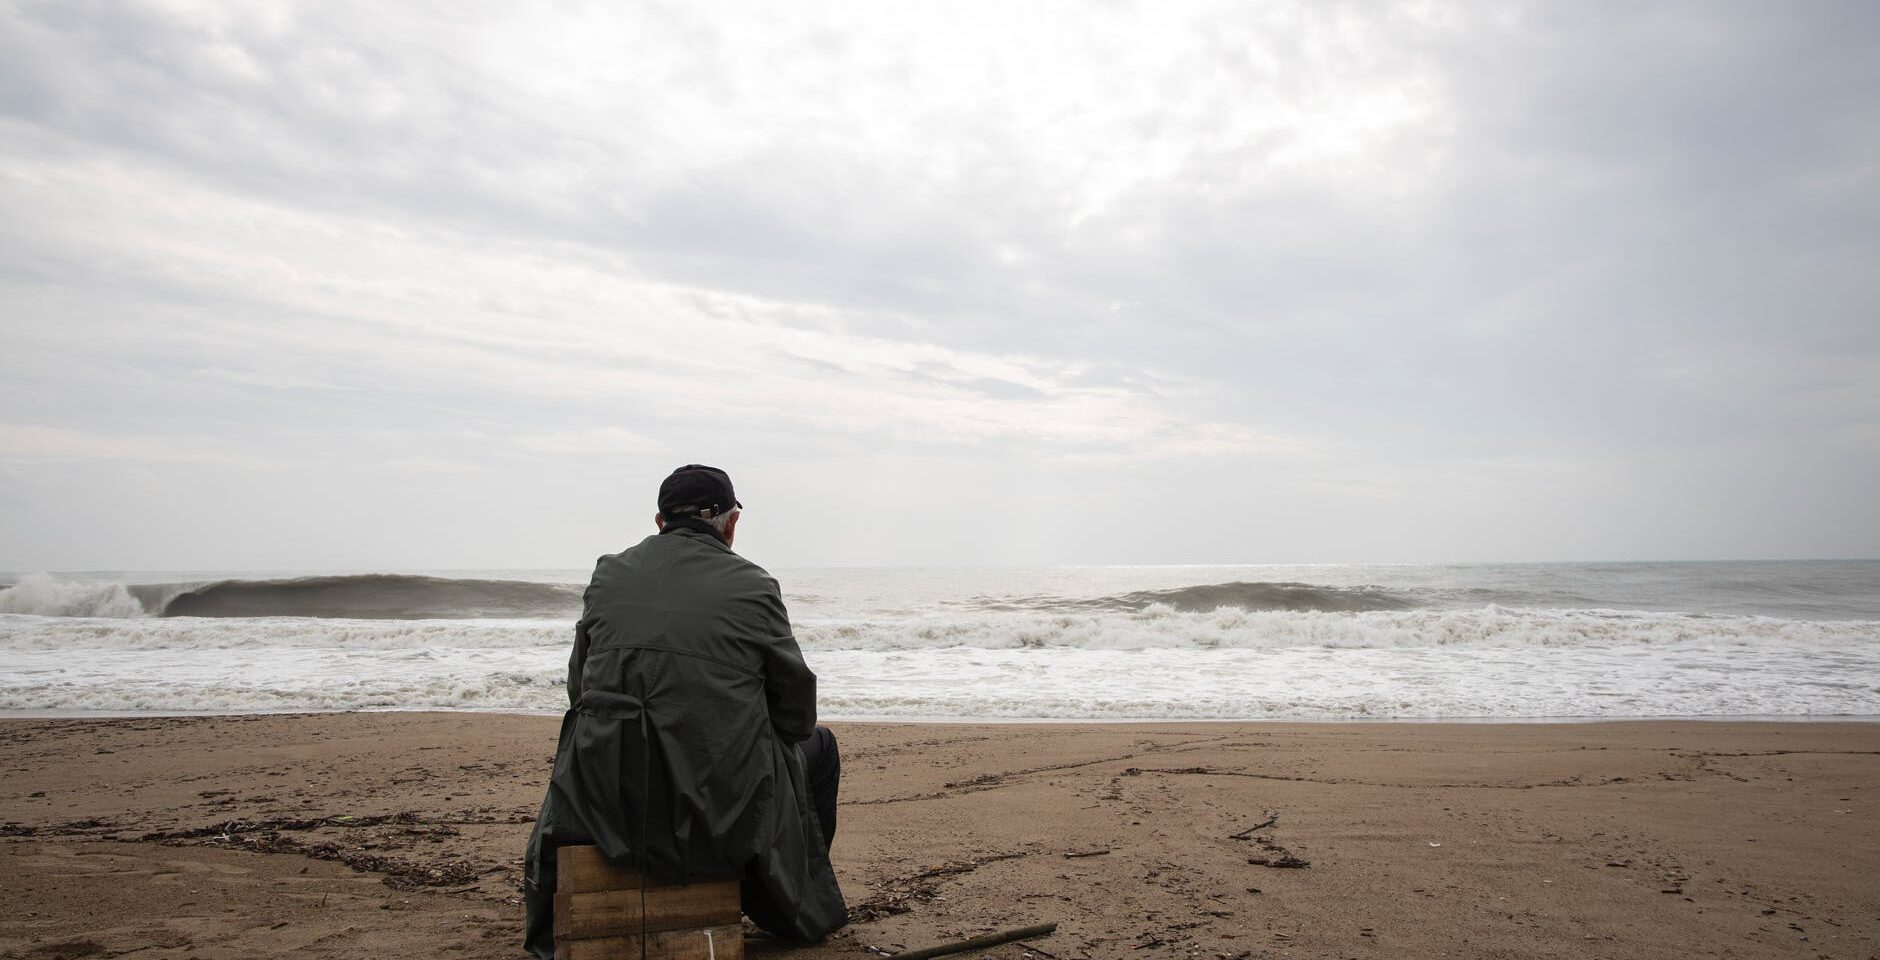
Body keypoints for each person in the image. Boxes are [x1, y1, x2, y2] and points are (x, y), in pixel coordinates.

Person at [522, 464, 847, 959]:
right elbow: (796, 710)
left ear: (659, 521)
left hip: (603, 800)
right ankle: (784, 901)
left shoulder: (608, 572)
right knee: (819, 748)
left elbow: (579, 688)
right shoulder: (754, 584)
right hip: (717, 808)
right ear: (731, 523)